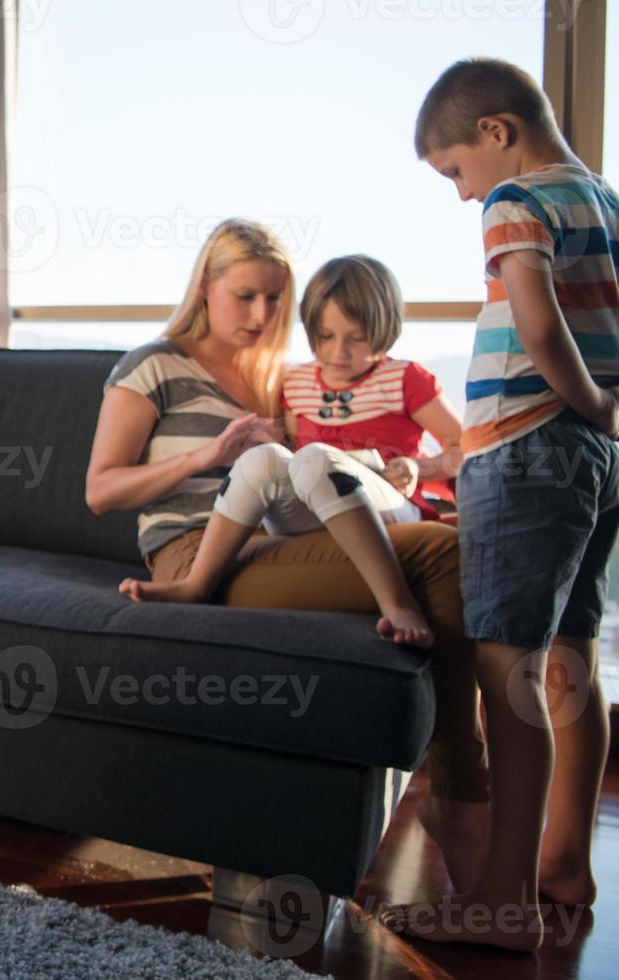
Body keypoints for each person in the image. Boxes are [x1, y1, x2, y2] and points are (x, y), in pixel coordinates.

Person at [87, 217, 489, 895]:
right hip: (196, 553)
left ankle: (459, 802)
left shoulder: (280, 379)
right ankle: (461, 790)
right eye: (244, 295)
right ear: (206, 287)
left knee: (436, 546)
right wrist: (207, 455)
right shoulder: (154, 363)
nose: (260, 314)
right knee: (439, 558)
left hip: (282, 544)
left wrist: (401, 475)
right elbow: (100, 489)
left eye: (274, 298)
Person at [379, 58, 618, 951]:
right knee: (569, 659)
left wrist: (586, 400)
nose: (459, 193)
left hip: (530, 444)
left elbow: (535, 316)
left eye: (453, 172)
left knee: (505, 670)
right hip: (596, 457)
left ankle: (500, 904)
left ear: (495, 132)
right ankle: (561, 864)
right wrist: (606, 416)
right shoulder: (604, 198)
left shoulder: (516, 199)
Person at [119, 255, 463, 649]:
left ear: (384, 329)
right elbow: (290, 453)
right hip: (315, 507)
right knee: (264, 461)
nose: (338, 352)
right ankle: (195, 584)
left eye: (355, 337)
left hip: (384, 499)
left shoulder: (404, 378)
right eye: (325, 336)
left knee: (316, 459)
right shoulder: (296, 382)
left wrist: (422, 468)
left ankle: (397, 602)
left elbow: (469, 447)